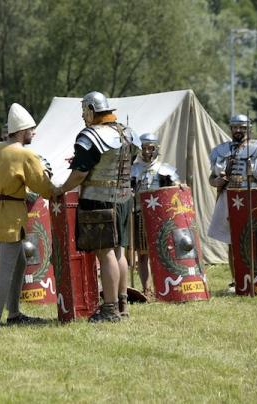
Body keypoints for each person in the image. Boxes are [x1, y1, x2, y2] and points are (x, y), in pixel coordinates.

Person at [52, 91, 139, 322]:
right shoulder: (127, 132)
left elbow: (80, 174)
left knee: (105, 251)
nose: (83, 117)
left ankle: (109, 309)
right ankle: (122, 305)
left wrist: (61, 189)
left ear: (91, 109)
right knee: (119, 250)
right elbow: (128, 161)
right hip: (122, 198)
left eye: (84, 112)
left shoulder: (90, 135)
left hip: (98, 199)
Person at [0, 103, 54, 328]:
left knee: (20, 262)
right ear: (22, 131)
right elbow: (42, 186)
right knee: (5, 270)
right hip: (11, 215)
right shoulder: (26, 154)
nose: (34, 133)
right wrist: (56, 190)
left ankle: (14, 313)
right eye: (31, 130)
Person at [207, 114, 257, 291]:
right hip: (228, 198)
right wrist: (215, 182)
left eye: (242, 127)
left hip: (250, 197)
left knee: (253, 239)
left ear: (249, 129)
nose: (239, 130)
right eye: (235, 127)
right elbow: (212, 178)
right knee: (231, 242)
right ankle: (236, 281)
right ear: (231, 129)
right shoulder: (220, 150)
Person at [130, 132, 180, 298]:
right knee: (142, 255)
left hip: (160, 217)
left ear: (156, 149)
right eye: (144, 148)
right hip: (140, 215)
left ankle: (164, 287)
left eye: (151, 148)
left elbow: (176, 191)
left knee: (161, 253)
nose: (147, 151)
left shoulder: (165, 170)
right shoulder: (133, 170)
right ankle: (147, 288)